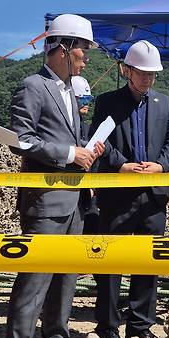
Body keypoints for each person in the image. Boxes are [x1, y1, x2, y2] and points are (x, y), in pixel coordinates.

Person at [5, 13, 104, 338]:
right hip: (45, 202)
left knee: (65, 281)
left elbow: (68, 140)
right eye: (83, 50)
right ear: (64, 48)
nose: (87, 57)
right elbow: (21, 141)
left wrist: (87, 148)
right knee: (34, 282)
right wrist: (68, 154)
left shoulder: (68, 90)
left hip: (74, 201)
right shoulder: (33, 86)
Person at [90, 40, 169, 338]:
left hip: (153, 196)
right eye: (142, 73)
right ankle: (107, 326)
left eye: (152, 74)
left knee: (147, 261)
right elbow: (100, 142)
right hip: (118, 195)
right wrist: (121, 166)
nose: (147, 79)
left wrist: (161, 165)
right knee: (111, 263)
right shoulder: (107, 102)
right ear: (127, 71)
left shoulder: (164, 103)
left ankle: (140, 325)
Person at [71, 76, 100, 236]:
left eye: (88, 99)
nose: (86, 103)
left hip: (87, 194)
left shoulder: (88, 129)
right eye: (83, 99)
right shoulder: (65, 129)